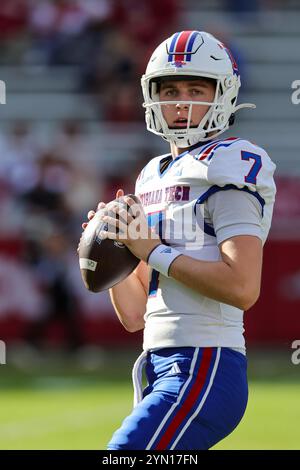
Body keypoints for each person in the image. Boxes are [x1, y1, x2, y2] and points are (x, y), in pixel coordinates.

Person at [82, 30, 276, 450]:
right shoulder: (152, 173)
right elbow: (135, 315)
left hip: (206, 361)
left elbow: (243, 287)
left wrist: (151, 249)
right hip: (157, 362)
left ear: (223, 94)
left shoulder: (229, 162)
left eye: (196, 89)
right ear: (152, 97)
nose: (182, 102)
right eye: (170, 90)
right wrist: (114, 246)